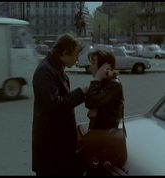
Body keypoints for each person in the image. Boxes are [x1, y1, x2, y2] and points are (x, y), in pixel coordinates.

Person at [31, 34, 109, 176]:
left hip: (59, 143)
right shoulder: (45, 71)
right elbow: (56, 105)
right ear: (65, 52)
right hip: (51, 146)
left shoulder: (56, 67)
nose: (77, 59)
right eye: (75, 55)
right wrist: (81, 92)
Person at [84, 49, 125, 175]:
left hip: (105, 144)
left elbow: (90, 102)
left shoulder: (114, 85)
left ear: (104, 67)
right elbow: (91, 105)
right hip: (98, 139)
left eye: (93, 63)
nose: (90, 67)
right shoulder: (104, 83)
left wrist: (96, 78)